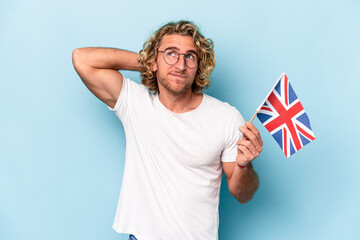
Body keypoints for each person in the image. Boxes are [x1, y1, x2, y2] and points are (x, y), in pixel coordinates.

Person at [72, 20, 262, 240]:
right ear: (154, 60)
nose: (180, 65)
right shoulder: (135, 104)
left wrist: (244, 165)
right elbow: (82, 59)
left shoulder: (226, 117)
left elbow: (243, 194)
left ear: (199, 65)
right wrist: (150, 61)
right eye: (171, 54)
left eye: (190, 56)